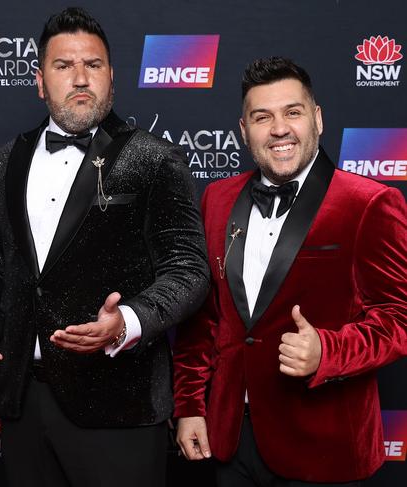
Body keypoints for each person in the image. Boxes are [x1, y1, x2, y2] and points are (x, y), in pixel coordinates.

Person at [0, 7, 209, 486]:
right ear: (39, 80)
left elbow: (189, 270)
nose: (80, 78)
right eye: (64, 66)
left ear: (111, 77)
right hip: (23, 401)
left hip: (119, 404)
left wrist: (127, 321)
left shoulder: (155, 158)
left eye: (92, 65)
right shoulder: (1, 162)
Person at [173, 56, 407, 486]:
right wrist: (190, 405)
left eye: (292, 113)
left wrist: (328, 351)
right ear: (244, 131)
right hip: (233, 441)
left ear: (317, 118)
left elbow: (398, 320)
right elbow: (203, 320)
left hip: (324, 445)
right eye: (262, 117)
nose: (279, 128)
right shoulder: (217, 199)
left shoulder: (369, 203)